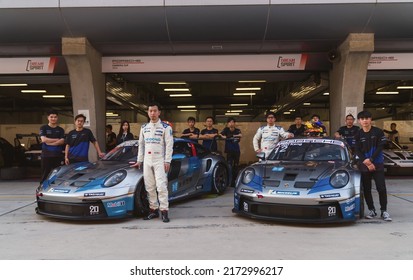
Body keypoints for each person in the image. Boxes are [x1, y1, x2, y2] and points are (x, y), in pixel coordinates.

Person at [130, 102, 173, 223]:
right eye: (150, 111)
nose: (153, 113)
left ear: (159, 112)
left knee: (161, 186)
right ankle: (153, 210)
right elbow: (141, 145)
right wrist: (139, 160)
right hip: (147, 161)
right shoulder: (144, 128)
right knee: (149, 187)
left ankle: (164, 211)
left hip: (160, 160)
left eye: (155, 111)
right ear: (148, 113)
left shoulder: (166, 127)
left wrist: (167, 161)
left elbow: (169, 146)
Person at [354, 110, 392, 221]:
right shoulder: (358, 134)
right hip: (364, 165)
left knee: (381, 188)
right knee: (367, 189)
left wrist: (371, 160)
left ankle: (384, 211)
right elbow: (357, 150)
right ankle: (372, 210)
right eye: (362, 119)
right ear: (359, 121)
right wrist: (366, 161)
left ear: (371, 119)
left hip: (378, 164)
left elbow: (380, 147)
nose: (365, 120)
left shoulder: (378, 132)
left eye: (367, 118)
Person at [39, 110, 65, 184]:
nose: (53, 118)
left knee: (58, 174)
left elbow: (62, 141)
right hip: (46, 155)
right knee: (45, 174)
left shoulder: (60, 130)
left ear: (57, 118)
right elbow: (43, 139)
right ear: (48, 118)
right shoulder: (43, 128)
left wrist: (50, 143)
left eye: (55, 117)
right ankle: (42, 190)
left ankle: (56, 189)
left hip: (57, 155)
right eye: (51, 117)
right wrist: (56, 140)